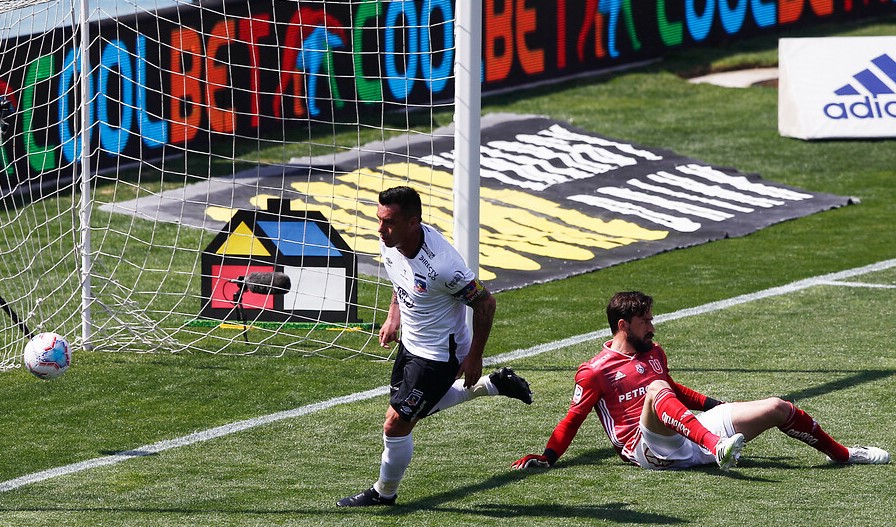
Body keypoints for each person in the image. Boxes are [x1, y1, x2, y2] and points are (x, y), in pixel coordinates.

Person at [512, 291, 889, 472]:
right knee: (657, 391)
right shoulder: (594, 369)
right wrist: (547, 457)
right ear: (623, 325)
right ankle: (718, 445)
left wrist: (718, 407)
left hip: (690, 434)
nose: (653, 326)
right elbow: (572, 418)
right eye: (646, 321)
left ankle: (842, 454)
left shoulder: (654, 352)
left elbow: (674, 392)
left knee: (776, 406)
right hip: (649, 450)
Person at [337, 186, 533, 507]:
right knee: (413, 410)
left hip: (440, 355)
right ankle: (491, 386)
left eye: (388, 222)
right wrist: (393, 317)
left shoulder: (444, 266)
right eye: (379, 220)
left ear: (413, 223)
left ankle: (384, 493)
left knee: (397, 422)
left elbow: (486, 305)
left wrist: (474, 356)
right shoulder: (390, 241)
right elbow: (401, 278)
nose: (379, 229)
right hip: (410, 344)